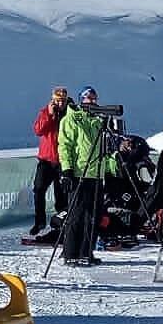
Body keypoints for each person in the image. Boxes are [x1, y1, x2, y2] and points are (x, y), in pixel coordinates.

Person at [59, 86, 118, 267]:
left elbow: (105, 150)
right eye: (88, 98)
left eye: (94, 97)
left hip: (96, 174)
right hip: (79, 173)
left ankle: (87, 252)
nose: (92, 101)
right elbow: (65, 145)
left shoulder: (97, 120)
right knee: (77, 215)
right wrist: (66, 170)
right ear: (81, 100)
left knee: (93, 216)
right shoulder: (72, 118)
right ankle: (71, 253)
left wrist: (111, 169)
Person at [30, 87, 70, 238]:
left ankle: (60, 224)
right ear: (52, 100)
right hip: (46, 160)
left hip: (62, 160)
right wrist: (50, 115)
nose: (60, 103)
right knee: (39, 190)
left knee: (61, 195)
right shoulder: (45, 112)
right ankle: (39, 222)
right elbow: (38, 130)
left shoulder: (69, 114)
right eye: (57, 100)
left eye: (62, 101)